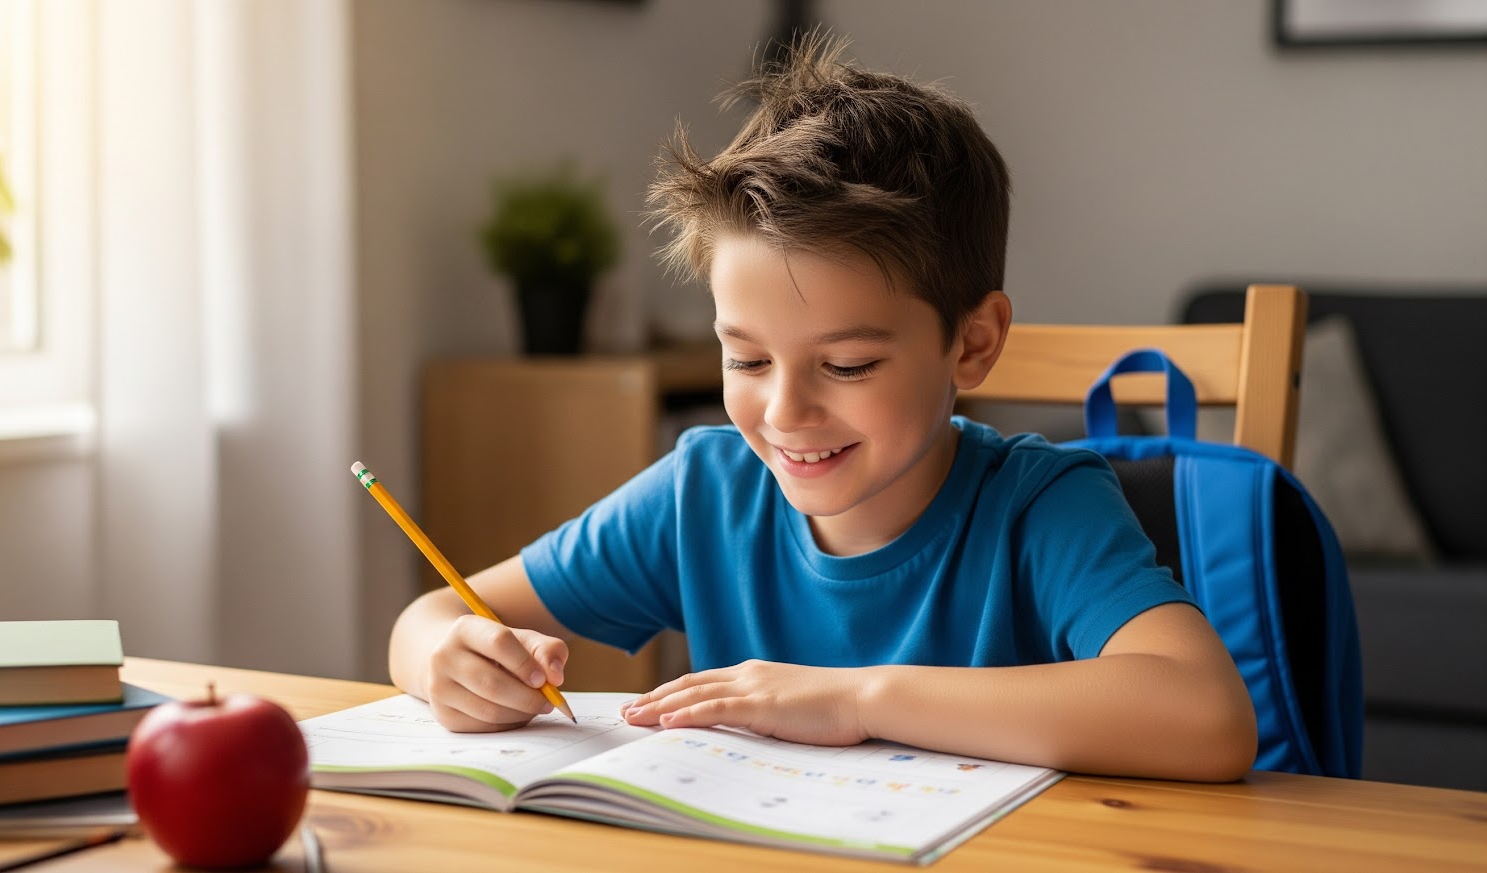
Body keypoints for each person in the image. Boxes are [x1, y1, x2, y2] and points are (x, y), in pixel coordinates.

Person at [389, 32, 1257, 782]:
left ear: (973, 344)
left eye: (846, 364)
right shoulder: (706, 492)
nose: (784, 410)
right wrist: (445, 660)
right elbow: (431, 615)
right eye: (747, 357)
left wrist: (853, 696)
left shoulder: (1041, 505)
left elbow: (1207, 714)